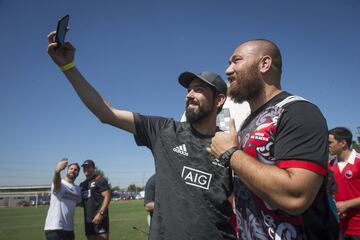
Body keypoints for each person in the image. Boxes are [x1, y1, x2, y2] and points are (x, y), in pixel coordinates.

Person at [47, 31, 236, 239]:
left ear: (219, 100)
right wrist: (68, 67)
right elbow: (106, 113)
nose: (189, 95)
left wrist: (233, 153)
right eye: (188, 90)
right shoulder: (164, 130)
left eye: (198, 89)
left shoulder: (230, 147)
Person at [208, 39, 339, 239]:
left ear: (264, 64)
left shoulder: (298, 111)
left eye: (237, 61)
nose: (228, 70)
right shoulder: (246, 123)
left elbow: (296, 196)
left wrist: (230, 154)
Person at [329, 127, 360, 239]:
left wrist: (346, 205)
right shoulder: (330, 165)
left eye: (330, 142)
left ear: (343, 143)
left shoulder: (358, 162)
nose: (328, 145)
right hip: (339, 227)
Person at [44, 159, 81, 240]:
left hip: (69, 229)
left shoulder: (78, 189)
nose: (73, 171)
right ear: (67, 170)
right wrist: (57, 171)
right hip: (55, 227)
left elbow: (79, 203)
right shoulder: (60, 183)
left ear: (78, 173)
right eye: (71, 168)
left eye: (76, 170)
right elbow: (56, 184)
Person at [80, 159, 111, 240]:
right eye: (84, 167)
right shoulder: (82, 185)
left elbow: (107, 197)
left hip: (100, 219)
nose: (86, 169)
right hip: (88, 221)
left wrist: (100, 214)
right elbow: (82, 202)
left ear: (94, 168)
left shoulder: (100, 179)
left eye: (88, 167)